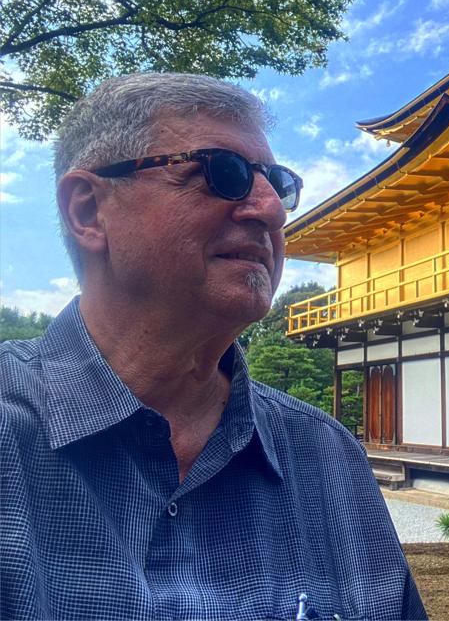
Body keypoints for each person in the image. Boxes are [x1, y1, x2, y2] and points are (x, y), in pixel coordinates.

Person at [0, 73, 427, 620]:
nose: (272, 210)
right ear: (89, 212)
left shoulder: (325, 458)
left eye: (280, 184)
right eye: (223, 174)